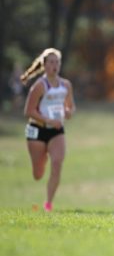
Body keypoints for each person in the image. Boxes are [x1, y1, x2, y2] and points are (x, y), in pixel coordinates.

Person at [21, 48, 76, 212]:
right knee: (38, 174)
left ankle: (48, 204)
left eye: (57, 62)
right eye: (51, 62)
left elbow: (71, 107)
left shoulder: (66, 85)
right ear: (44, 65)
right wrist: (48, 120)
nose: (55, 65)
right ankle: (42, 157)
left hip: (56, 131)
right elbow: (28, 112)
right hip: (37, 130)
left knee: (58, 162)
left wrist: (68, 113)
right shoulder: (39, 86)